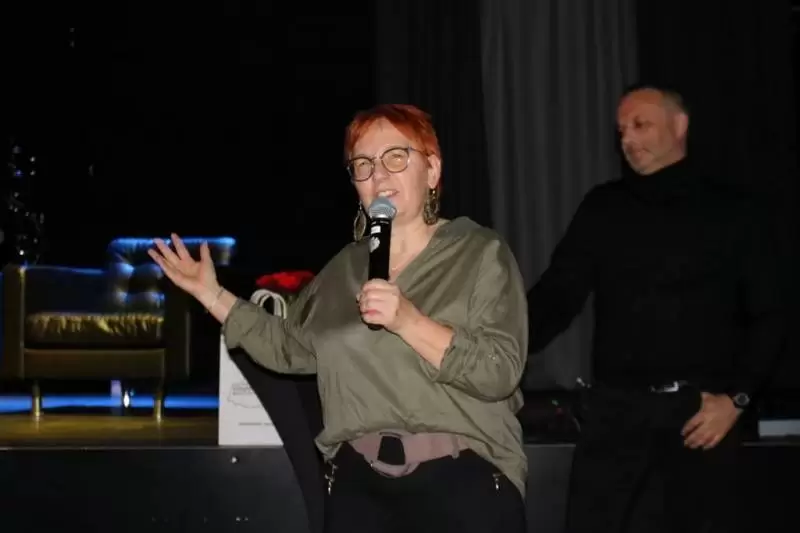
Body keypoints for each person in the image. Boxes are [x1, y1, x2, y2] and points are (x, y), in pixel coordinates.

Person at [149, 104, 529, 533]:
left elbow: (500, 371)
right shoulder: (343, 269)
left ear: (432, 170)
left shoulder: (479, 253)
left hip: (463, 483)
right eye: (363, 164)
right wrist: (210, 293)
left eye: (396, 157)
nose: (378, 175)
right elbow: (286, 347)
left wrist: (408, 320)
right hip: (359, 491)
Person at [528, 85, 785, 533]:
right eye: (621, 130)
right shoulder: (604, 207)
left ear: (679, 125)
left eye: (640, 124)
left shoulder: (733, 211)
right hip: (615, 414)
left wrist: (738, 399)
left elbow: (772, 313)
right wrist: (492, 349)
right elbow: (556, 298)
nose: (627, 138)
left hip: (699, 417)